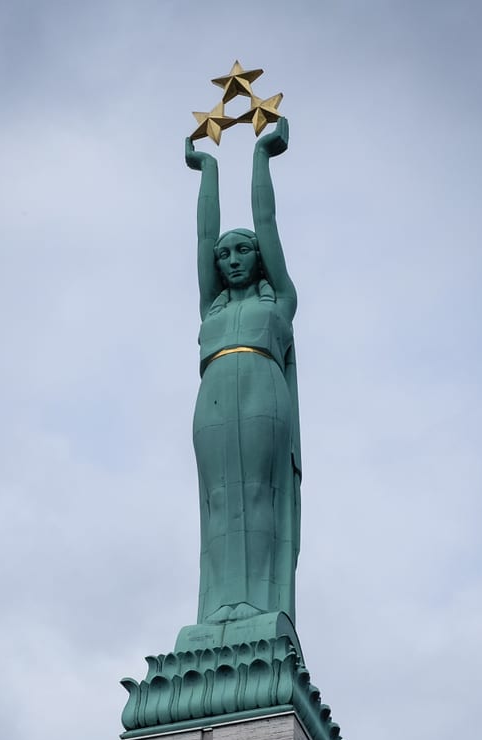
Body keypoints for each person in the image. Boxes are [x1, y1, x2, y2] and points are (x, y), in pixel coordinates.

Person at [185, 117, 301, 625]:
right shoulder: (211, 308)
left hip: (260, 386)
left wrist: (260, 157)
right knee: (217, 501)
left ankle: (256, 601)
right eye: (224, 254)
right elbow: (202, 233)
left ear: (259, 259)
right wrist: (206, 169)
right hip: (213, 394)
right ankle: (218, 608)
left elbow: (268, 222)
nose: (232, 259)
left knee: (256, 490)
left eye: (243, 250)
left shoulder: (278, 300)